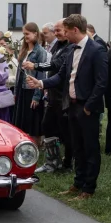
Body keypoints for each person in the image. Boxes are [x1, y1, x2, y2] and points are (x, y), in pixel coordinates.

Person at [28, 14, 108, 199]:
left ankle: (89, 188)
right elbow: (61, 75)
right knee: (76, 147)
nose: (62, 34)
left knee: (90, 148)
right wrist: (40, 84)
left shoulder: (97, 50)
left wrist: (88, 106)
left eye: (65, 31)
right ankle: (78, 182)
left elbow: (101, 82)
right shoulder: (72, 49)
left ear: (75, 30)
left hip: (87, 108)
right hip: (71, 105)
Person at [26, 22, 73, 172]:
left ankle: (66, 164)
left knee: (65, 132)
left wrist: (36, 66)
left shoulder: (69, 47)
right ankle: (52, 161)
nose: (57, 33)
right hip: (52, 94)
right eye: (56, 30)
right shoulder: (57, 46)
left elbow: (56, 65)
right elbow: (52, 63)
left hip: (62, 95)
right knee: (47, 125)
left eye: (59, 30)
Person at [12, 22, 49, 145]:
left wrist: (37, 96)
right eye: (24, 34)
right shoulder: (23, 50)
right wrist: (16, 91)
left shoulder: (40, 51)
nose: (25, 36)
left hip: (33, 89)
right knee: (22, 120)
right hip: (22, 88)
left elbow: (41, 74)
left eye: (27, 34)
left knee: (33, 121)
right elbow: (19, 73)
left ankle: (35, 146)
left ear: (35, 33)